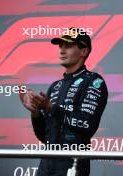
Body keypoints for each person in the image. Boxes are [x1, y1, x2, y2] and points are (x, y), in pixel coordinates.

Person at [19, 27, 108, 176]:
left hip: (73, 164)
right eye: (61, 46)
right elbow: (44, 136)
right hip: (46, 166)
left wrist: (50, 107)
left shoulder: (93, 81)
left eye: (68, 46)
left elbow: (87, 124)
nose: (62, 50)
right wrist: (35, 113)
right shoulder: (55, 86)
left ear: (84, 51)